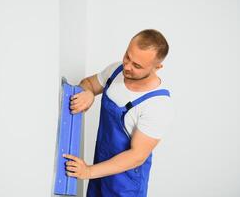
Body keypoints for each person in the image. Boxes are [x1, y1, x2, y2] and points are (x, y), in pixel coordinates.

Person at [63, 29, 173, 197]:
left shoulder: (157, 105)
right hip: (100, 171)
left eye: (137, 65)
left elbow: (137, 156)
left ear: (157, 67)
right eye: (127, 56)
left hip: (125, 185)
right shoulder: (116, 72)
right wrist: (88, 93)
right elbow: (89, 84)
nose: (127, 67)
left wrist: (88, 172)